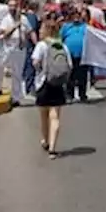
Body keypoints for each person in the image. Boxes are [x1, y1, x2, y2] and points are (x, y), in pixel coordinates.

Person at [31, 18, 69, 158]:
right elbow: (69, 65)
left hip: (43, 82)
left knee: (44, 116)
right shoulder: (62, 46)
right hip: (58, 84)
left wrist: (40, 68)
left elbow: (35, 62)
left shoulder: (41, 45)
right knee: (55, 117)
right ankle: (53, 147)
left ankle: (46, 140)